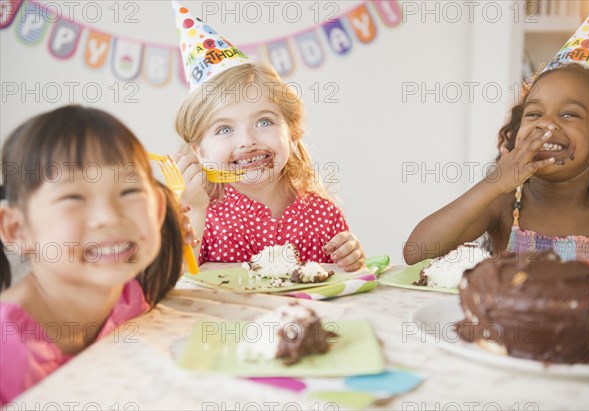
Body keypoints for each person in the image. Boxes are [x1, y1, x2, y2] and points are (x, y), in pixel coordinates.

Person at [0, 105, 186, 403]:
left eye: (129, 191)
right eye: (73, 197)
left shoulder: (132, 299)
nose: (109, 217)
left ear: (158, 209)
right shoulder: (8, 347)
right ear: (17, 229)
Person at [170, 2, 365, 271]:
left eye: (264, 121)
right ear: (200, 152)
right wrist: (194, 209)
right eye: (224, 129)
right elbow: (175, 283)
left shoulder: (322, 213)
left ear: (293, 134)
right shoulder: (198, 213)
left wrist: (351, 258)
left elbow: (343, 285)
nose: (247, 141)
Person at [404, 63, 589, 267]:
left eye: (569, 114)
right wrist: (495, 183)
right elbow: (416, 252)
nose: (545, 123)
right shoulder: (504, 204)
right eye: (534, 113)